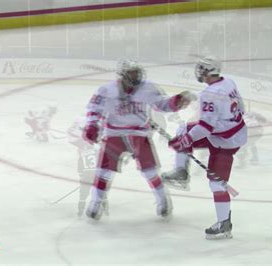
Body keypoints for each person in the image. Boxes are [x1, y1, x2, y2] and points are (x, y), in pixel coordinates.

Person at [82, 59, 195, 220]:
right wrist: (92, 125)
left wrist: (176, 101)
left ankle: (163, 199)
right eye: (132, 73)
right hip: (114, 134)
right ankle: (97, 201)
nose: (136, 76)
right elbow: (94, 108)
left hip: (139, 134)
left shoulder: (148, 88)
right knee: (103, 172)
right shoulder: (107, 90)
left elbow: (162, 104)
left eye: (137, 72)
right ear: (123, 74)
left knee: (150, 171)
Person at [162, 56, 247, 239]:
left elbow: (205, 128)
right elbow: (242, 108)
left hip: (224, 141)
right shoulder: (228, 82)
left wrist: (185, 142)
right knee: (183, 128)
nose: (199, 72)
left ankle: (224, 223)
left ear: (207, 71)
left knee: (216, 183)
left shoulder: (211, 94)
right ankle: (181, 172)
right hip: (233, 132)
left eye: (201, 69)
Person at [67, 117, 105, 217]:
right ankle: (104, 208)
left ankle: (80, 210)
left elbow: (80, 165)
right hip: (95, 176)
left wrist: (81, 174)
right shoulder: (97, 151)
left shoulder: (83, 150)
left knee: (83, 194)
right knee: (100, 192)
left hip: (86, 176)